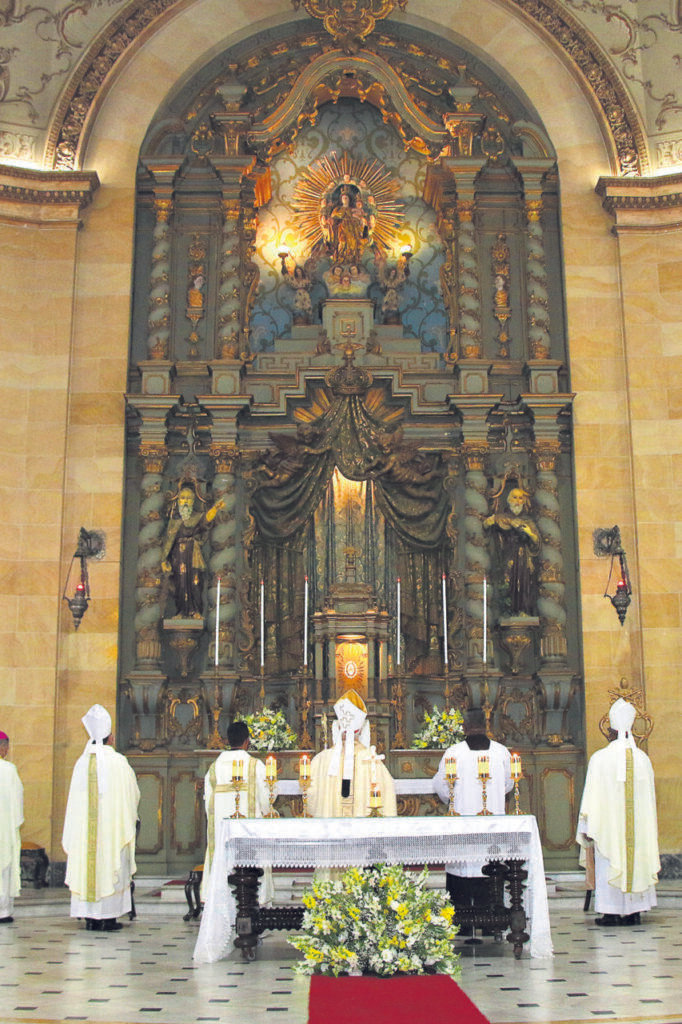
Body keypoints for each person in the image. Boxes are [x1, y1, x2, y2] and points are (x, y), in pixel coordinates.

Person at [576, 697, 660, 926]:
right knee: (635, 858)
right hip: (637, 831)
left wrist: (586, 828)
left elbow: (590, 799)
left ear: (610, 731)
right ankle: (635, 912)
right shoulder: (643, 760)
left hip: (609, 830)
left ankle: (611, 912)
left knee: (609, 861)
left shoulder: (600, 759)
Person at [62, 705, 140, 932]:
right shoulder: (119, 762)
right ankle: (107, 917)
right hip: (111, 833)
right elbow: (133, 794)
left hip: (86, 835)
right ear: (111, 737)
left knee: (89, 864)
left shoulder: (81, 763)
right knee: (110, 863)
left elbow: (73, 803)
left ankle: (90, 916)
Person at [433, 708, 513, 914]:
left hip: (462, 823)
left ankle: (461, 920)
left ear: (464, 727)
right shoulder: (501, 752)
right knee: (490, 864)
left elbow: (443, 788)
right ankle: (491, 920)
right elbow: (509, 785)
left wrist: (455, 800)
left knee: (463, 867)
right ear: (486, 726)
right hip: (492, 822)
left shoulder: (454, 753)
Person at [201, 720, 273, 904]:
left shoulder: (214, 768)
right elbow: (267, 798)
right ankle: (256, 902)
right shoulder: (255, 766)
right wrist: (266, 810)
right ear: (247, 741)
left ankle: (221, 903)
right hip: (249, 834)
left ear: (228, 740)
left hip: (222, 833)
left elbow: (207, 804)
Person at [308, 689, 397, 817]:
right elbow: (388, 795)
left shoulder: (321, 760)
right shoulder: (373, 760)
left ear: (338, 727)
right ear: (361, 730)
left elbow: (310, 796)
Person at [161, 484, 224, 619]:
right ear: (178, 501)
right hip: (178, 555)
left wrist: (215, 509)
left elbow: (206, 520)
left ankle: (195, 610)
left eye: (189, 499)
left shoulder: (197, 517)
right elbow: (168, 541)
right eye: (183, 498)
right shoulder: (174, 520)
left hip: (194, 554)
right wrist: (164, 560)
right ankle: (181, 612)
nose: (185, 501)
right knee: (180, 583)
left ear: (193, 501)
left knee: (195, 582)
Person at [484, 486, 541, 616]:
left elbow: (536, 541)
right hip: (507, 555)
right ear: (509, 500)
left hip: (523, 557)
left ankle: (523, 610)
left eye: (521, 498)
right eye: (515, 497)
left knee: (524, 584)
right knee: (508, 581)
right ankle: (509, 611)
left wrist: (529, 533)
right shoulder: (502, 517)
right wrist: (489, 522)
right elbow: (487, 525)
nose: (517, 501)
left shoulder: (527, 520)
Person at [0, 731, 23, 924]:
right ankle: (2, 911)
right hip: (4, 830)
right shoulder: (9, 770)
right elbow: (18, 799)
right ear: (3, 748)